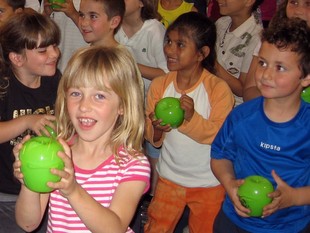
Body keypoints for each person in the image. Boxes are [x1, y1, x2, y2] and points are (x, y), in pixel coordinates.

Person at [13, 46, 151, 233]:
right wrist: (29, 179)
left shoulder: (133, 163)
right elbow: (28, 224)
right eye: (76, 93)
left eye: (99, 96)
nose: (84, 106)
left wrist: (73, 190)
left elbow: (115, 228)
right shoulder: (58, 152)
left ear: (123, 106)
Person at [211, 17, 310, 233]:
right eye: (262, 63)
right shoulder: (241, 116)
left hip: (288, 226)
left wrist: (295, 197)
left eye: (280, 67)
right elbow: (220, 156)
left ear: (306, 77)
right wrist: (229, 184)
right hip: (234, 220)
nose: (266, 74)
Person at [144, 12, 234, 233]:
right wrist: (156, 129)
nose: (170, 50)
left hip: (208, 183)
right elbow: (152, 139)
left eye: (180, 45)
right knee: (156, 228)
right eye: (169, 42)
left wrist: (190, 119)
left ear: (202, 53)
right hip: (169, 179)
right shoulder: (159, 85)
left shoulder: (218, 89)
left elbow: (217, 135)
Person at [0, 11, 61, 232]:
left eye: (54, 45)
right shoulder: (3, 86)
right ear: (16, 58)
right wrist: (27, 121)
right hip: (7, 194)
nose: (55, 53)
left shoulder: (54, 80)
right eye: (43, 50)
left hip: (47, 191)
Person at [115, 0, 168, 197]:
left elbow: (166, 72)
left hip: (150, 104)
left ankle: (151, 196)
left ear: (141, 3)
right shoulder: (115, 26)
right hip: (126, 104)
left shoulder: (154, 29)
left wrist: (130, 64)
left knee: (152, 153)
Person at [243, 0, 310, 101]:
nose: (298, 11)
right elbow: (249, 91)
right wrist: (279, 104)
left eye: (308, 4)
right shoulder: (271, 40)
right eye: (293, 2)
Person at [215, 0, 263, 106]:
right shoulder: (221, 23)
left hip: (234, 105)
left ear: (249, 1)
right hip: (212, 96)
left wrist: (212, 63)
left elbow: (243, 90)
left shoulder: (256, 37)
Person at [41, 0, 88, 73]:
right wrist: (46, 14)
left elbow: (99, 34)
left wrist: (73, 13)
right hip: (54, 67)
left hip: (82, 67)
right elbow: (38, 35)